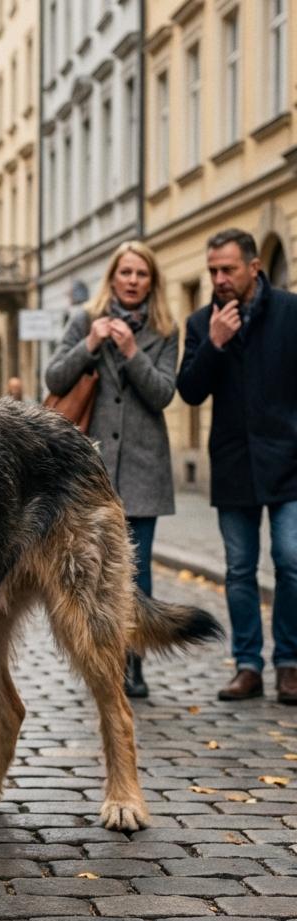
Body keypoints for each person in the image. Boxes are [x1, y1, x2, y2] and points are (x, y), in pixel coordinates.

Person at [45, 240, 179, 699]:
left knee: (136, 571)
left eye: (142, 274)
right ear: (113, 277)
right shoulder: (86, 319)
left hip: (144, 467)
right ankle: (104, 656)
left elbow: (163, 394)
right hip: (91, 467)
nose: (133, 281)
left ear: (152, 282)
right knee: (95, 571)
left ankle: (132, 665)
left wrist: (131, 352)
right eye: (126, 272)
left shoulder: (164, 329)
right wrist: (93, 342)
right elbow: (56, 378)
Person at [177, 228, 297, 706]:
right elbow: (188, 390)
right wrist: (214, 343)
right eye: (212, 271)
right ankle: (248, 665)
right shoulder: (202, 321)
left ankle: (289, 662)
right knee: (240, 570)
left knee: (291, 562)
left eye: (228, 269)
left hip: (289, 462)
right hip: (232, 463)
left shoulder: (291, 312)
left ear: (254, 268)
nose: (219, 279)